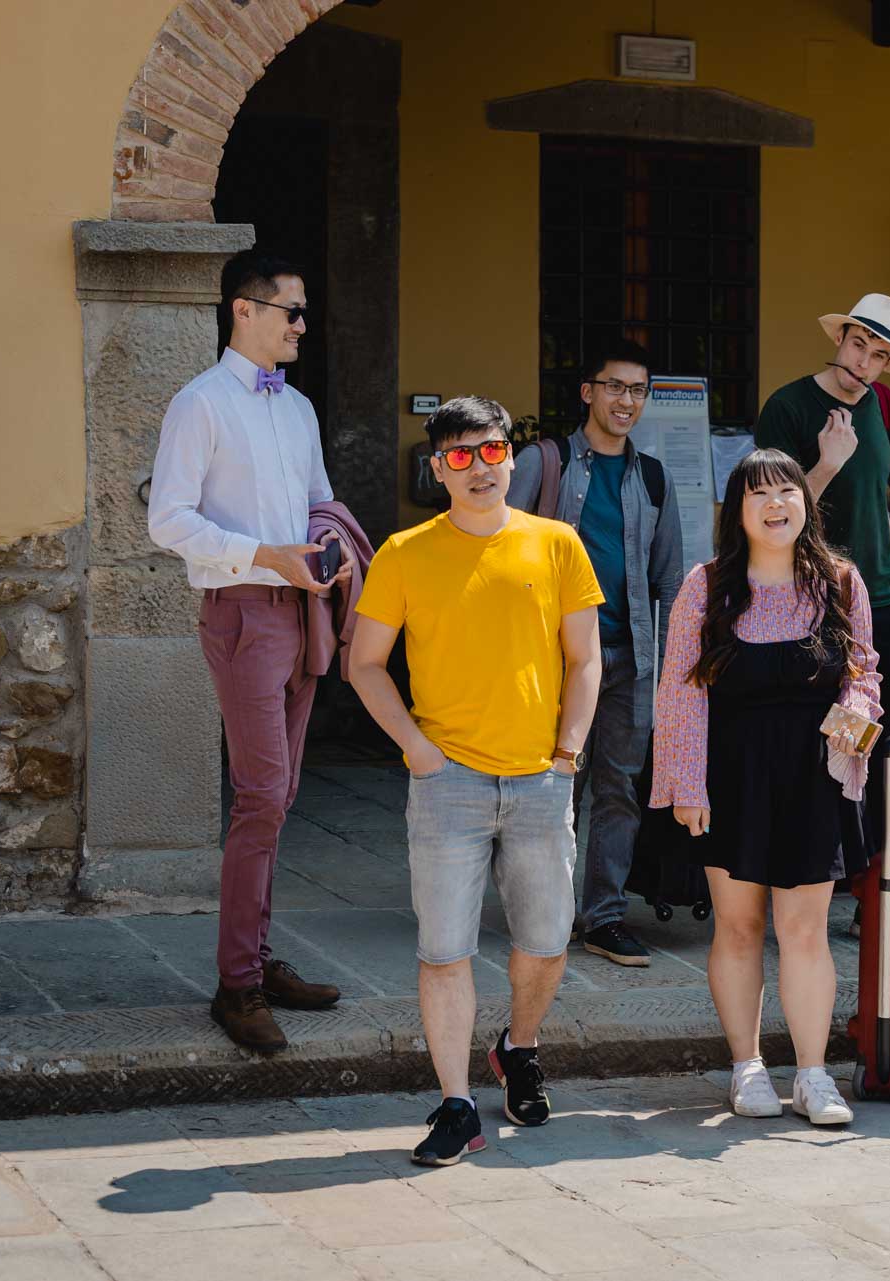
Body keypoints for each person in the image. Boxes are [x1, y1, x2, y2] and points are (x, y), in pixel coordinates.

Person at [349, 397, 604, 1165]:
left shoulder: (556, 543)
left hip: (539, 779)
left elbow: (586, 658)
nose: (480, 468)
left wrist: (568, 752)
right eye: (459, 456)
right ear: (438, 468)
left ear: (510, 455)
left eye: (491, 451)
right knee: (444, 948)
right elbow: (363, 663)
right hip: (447, 782)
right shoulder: (404, 552)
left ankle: (518, 1046)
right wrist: (418, 750)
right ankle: (457, 1105)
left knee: (546, 941)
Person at [147, 250, 353, 1054]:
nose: (303, 324)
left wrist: (327, 543)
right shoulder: (198, 404)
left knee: (283, 791)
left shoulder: (296, 408)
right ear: (244, 310)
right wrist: (264, 555)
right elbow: (168, 521)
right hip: (239, 612)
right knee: (262, 793)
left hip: (304, 614)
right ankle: (237, 984)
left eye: (304, 312)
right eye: (291, 310)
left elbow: (318, 500)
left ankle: (258, 962)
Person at [650, 448, 879, 1127]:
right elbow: (681, 692)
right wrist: (686, 782)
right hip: (732, 777)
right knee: (741, 925)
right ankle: (746, 1065)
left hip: (814, 777)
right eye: (760, 494)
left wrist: (858, 714)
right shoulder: (708, 584)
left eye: (787, 490)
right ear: (738, 509)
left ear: (805, 503)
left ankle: (813, 1075)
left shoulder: (839, 580)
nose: (776, 503)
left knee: (806, 928)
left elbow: (863, 670)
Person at [507, 340, 685, 969]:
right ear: (588, 391)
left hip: (630, 661)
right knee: (553, 784)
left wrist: (670, 676)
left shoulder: (653, 476)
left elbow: (671, 582)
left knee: (617, 791)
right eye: (615, 387)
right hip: (554, 660)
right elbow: (500, 553)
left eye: (638, 390)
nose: (626, 401)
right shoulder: (544, 462)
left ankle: (603, 917)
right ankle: (543, 911)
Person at [753, 293, 890, 853]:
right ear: (839, 338)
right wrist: (825, 465)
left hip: (882, 598)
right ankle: (810, 862)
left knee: (869, 732)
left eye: (879, 354)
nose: (863, 363)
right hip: (810, 597)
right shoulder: (788, 406)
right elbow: (770, 514)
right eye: (858, 344)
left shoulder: (886, 408)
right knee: (814, 734)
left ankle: (862, 874)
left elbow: (877, 497)